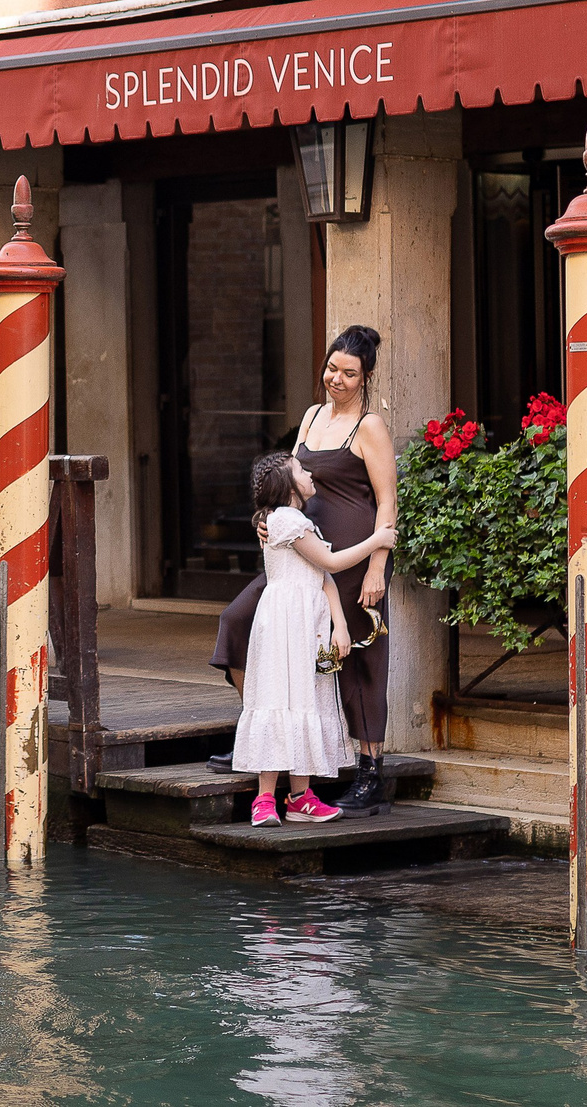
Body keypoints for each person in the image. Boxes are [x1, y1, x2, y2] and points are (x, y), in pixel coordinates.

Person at [210, 324, 404, 812]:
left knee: (358, 658)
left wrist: (378, 566)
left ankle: (369, 769)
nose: (336, 379)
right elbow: (285, 481)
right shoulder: (312, 415)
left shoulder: (371, 427)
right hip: (303, 554)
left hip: (355, 557)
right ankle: (268, 739)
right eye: (331, 369)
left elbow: (387, 503)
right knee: (238, 621)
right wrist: (267, 519)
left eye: (349, 373)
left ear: (367, 377)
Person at [231, 451, 394, 826]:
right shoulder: (286, 520)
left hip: (308, 623)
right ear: (288, 487)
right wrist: (378, 540)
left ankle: (301, 797)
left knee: (303, 698)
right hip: (286, 623)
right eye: (301, 470)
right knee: (280, 697)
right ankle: (265, 798)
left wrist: (340, 623)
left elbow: (323, 577)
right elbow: (332, 562)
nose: (309, 472)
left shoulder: (297, 520)